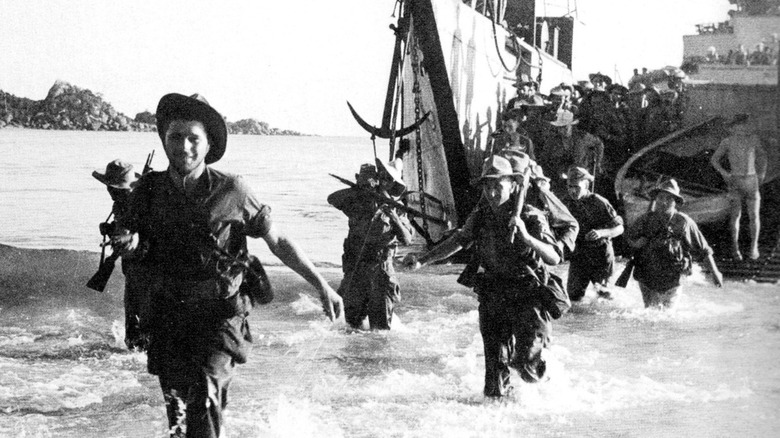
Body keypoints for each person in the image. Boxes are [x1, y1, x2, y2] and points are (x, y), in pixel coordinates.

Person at [112, 93, 343, 438]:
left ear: (208, 145)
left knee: (204, 400)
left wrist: (321, 285)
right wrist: (128, 245)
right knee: (177, 414)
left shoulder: (233, 189)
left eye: (194, 138)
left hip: (219, 318)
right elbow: (132, 242)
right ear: (164, 140)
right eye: (176, 137)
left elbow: (277, 241)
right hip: (169, 317)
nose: (184, 146)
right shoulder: (148, 190)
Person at [405, 155, 570, 398]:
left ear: (513, 186)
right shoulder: (481, 214)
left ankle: (549, 394)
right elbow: (459, 240)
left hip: (528, 295)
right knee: (495, 369)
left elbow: (554, 258)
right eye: (488, 186)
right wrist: (423, 259)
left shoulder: (530, 215)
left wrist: (526, 237)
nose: (492, 192)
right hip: (494, 293)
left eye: (498, 186)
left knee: (526, 364)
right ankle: (496, 415)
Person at [327, 159, 414, 330]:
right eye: (382, 176)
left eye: (389, 179)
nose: (384, 180)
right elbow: (333, 199)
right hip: (356, 269)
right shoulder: (356, 201)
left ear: (393, 184)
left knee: (380, 329)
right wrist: (360, 190)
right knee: (349, 324)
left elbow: (407, 239)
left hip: (380, 271)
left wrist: (393, 217)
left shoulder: (397, 207)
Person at [625, 179, 724, 308]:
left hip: (673, 278)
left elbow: (703, 249)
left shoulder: (684, 222)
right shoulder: (646, 219)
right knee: (650, 313)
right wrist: (636, 244)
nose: (663, 202)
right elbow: (628, 237)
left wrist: (715, 273)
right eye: (660, 197)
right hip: (647, 276)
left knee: (667, 316)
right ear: (656, 199)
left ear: (675, 203)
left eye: (669, 199)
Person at [92, 159, 148, 350]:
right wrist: (111, 229)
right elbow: (125, 227)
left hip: (146, 267)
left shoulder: (141, 203)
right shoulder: (122, 202)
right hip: (132, 266)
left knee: (139, 323)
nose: (109, 191)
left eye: (112, 187)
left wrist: (127, 239)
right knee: (134, 323)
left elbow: (148, 233)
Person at [710, 114, 768, 260]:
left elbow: (763, 156)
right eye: (739, 126)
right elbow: (714, 160)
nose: (742, 129)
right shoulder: (727, 142)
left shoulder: (753, 140)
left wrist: (761, 174)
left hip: (751, 180)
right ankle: (735, 249)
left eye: (744, 126)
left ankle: (754, 247)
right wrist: (725, 173)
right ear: (733, 128)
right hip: (735, 180)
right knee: (735, 215)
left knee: (754, 215)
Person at [562, 166, 624, 301]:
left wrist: (601, 232)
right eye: (569, 186)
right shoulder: (565, 203)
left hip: (600, 255)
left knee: (603, 296)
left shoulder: (599, 202)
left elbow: (620, 228)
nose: (572, 191)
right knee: (573, 297)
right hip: (579, 256)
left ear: (586, 185)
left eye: (576, 187)